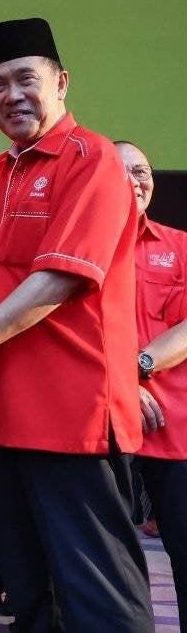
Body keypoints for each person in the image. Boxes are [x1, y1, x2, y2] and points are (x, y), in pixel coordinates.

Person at [0, 18, 154, 631]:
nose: (12, 95)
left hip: (68, 420)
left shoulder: (91, 159)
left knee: (99, 598)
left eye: (27, 79)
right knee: (29, 596)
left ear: (61, 82)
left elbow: (63, 278)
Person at [118, 140, 187, 631]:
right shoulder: (83, 251)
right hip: (104, 424)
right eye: (121, 173)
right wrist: (119, 386)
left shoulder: (180, 245)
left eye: (142, 170)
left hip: (176, 428)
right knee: (112, 566)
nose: (135, 181)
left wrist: (135, 368)